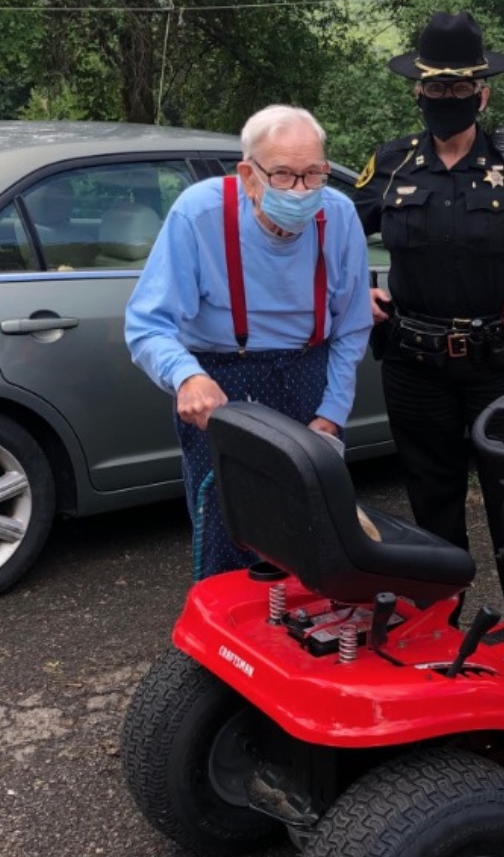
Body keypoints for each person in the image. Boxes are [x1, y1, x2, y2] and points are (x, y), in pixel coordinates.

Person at [352, 10, 504, 619]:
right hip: (414, 364)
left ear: (482, 92)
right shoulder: (393, 162)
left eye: (459, 88)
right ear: (418, 91)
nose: (446, 98)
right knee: (433, 505)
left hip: (498, 366)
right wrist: (353, 289)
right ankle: (439, 624)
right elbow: (338, 233)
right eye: (435, 87)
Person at [125, 104, 372, 578]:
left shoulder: (339, 217)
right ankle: (226, 639)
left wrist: (331, 414)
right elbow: (146, 323)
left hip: (306, 373)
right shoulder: (199, 213)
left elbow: (352, 326)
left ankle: (302, 636)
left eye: (313, 174)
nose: (301, 191)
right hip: (222, 378)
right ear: (248, 174)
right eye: (283, 175)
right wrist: (186, 376)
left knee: (309, 525)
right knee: (228, 523)